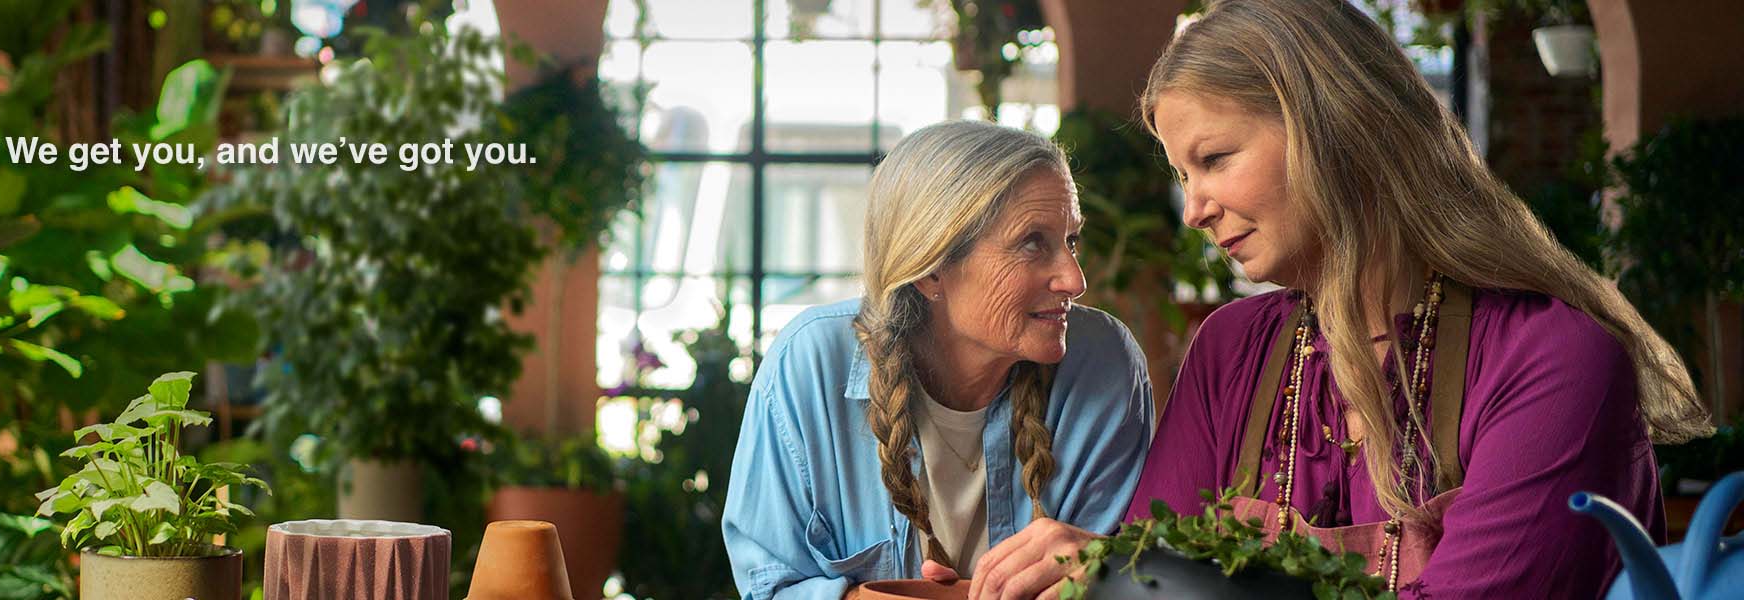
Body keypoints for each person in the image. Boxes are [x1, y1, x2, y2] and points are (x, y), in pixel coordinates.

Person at [1125, 1, 1713, 598]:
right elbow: (1144, 584)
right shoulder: (1229, 350)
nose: (1195, 210)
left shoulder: (1551, 355)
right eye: (1183, 176)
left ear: (1332, 126)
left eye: (1215, 159)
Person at [721, 120, 1154, 600]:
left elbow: (1124, 579)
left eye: (1070, 241)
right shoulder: (810, 365)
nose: (1075, 279)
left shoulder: (1104, 363)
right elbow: (770, 587)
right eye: (1033, 242)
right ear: (930, 271)